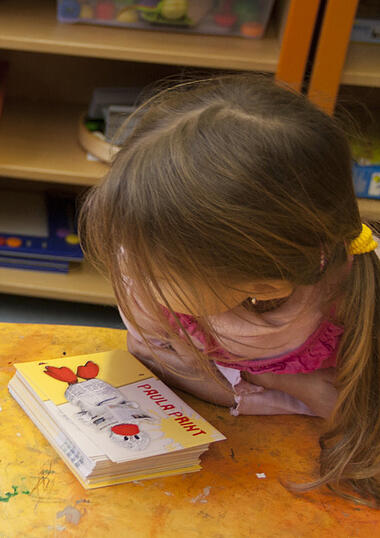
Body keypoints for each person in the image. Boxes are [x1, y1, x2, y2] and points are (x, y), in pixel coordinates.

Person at [79, 74, 380, 505]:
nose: (133, 272)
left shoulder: (350, 301)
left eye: (160, 273)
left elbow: (358, 420)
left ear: (263, 287)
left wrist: (312, 400)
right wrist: (293, 387)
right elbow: (150, 361)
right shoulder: (147, 259)